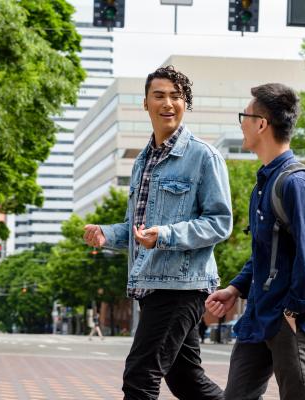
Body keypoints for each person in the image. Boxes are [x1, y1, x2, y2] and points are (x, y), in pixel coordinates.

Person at [83, 65, 232, 400]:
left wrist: (166, 235)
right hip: (150, 284)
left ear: (185, 103)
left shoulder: (203, 157)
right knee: (186, 380)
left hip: (181, 286)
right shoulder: (143, 161)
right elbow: (136, 228)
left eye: (176, 96)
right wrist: (108, 234)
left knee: (140, 376)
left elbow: (220, 222)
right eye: (160, 95)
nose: (168, 103)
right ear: (146, 103)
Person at [205, 83, 305, 400]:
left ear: (261, 124)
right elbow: (264, 255)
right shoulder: (264, 182)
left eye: (244, 116)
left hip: (289, 319)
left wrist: (295, 310)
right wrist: (236, 288)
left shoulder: (297, 183)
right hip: (258, 314)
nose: (242, 123)